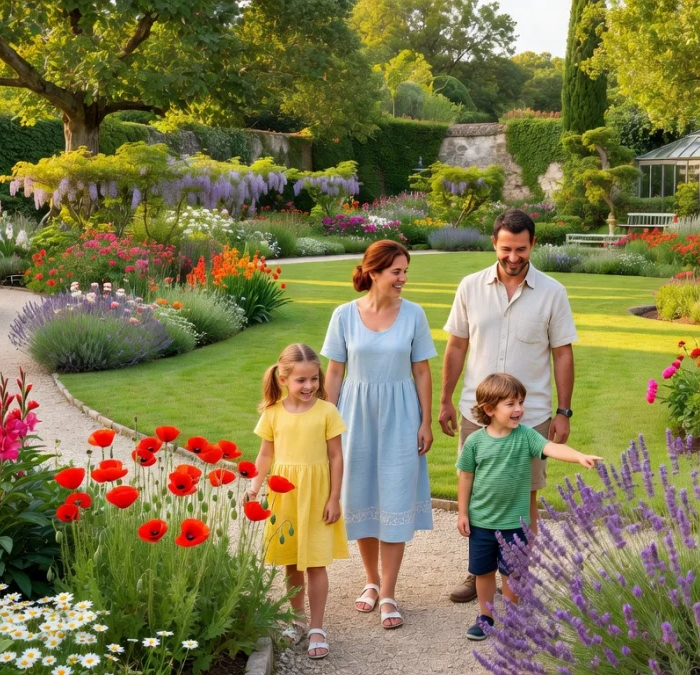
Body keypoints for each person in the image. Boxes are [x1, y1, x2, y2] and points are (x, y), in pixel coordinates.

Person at [439, 207, 579, 604]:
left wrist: (564, 413)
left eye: (521, 249)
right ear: (494, 244)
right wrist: (446, 400)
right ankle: (477, 571)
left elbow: (563, 354)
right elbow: (457, 345)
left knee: (524, 497)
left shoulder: (552, 292)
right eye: (505, 249)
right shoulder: (469, 286)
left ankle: (517, 577)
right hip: (477, 414)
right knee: (479, 494)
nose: (513, 257)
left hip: (529, 418)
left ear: (533, 244)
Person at [323, 240, 436, 630]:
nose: (403, 279)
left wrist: (425, 421)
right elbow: (334, 372)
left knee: (395, 497)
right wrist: (327, 421)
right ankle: (370, 581)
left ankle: (388, 592)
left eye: (406, 271)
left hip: (402, 415)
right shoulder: (343, 315)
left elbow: (421, 371)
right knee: (361, 497)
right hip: (354, 414)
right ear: (374, 272)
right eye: (397, 272)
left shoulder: (414, 315)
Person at [456, 373, 602, 640]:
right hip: (482, 523)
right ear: (489, 409)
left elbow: (552, 448)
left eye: (521, 402)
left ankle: (513, 616)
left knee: (512, 573)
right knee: (484, 572)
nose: (519, 409)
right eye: (511, 404)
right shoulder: (475, 442)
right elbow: (465, 477)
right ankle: (486, 616)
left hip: (515, 523)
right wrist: (463, 513)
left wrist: (578, 456)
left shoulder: (525, 437)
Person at [244, 343, 349, 660]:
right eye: (301, 380)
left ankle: (317, 626)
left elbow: (336, 456)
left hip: (317, 496)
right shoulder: (273, 414)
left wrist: (334, 498)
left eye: (314, 379)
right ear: (283, 379)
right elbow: (265, 454)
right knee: (292, 559)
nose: (309, 386)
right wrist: (253, 486)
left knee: (315, 562)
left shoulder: (327, 412)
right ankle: (297, 618)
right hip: (284, 495)